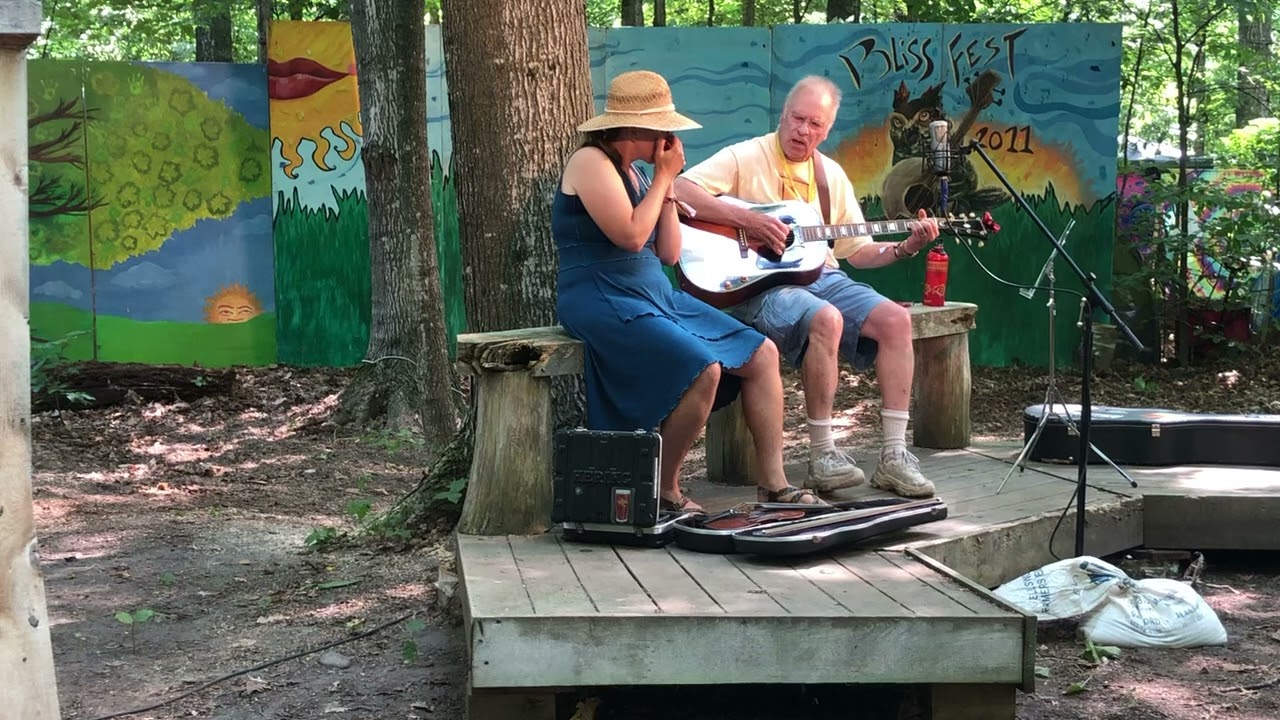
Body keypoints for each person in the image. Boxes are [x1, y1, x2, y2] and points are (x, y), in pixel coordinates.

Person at [553, 69, 826, 512]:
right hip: (601, 295)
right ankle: (663, 488)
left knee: (761, 354)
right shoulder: (590, 163)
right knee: (704, 369)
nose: (669, 136)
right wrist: (664, 179)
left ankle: (773, 484)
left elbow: (667, 251)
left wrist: (665, 193)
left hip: (653, 291)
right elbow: (628, 236)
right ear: (638, 126)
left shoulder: (640, 174)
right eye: (663, 127)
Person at [674, 75, 940, 499]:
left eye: (815, 124)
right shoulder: (746, 156)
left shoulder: (828, 174)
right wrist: (751, 221)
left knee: (894, 320)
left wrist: (907, 247)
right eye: (798, 119)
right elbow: (678, 188)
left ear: (828, 128)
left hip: (823, 275)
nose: (804, 131)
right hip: (754, 286)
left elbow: (859, 252)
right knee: (826, 318)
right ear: (783, 114)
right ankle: (822, 456)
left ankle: (894, 456)